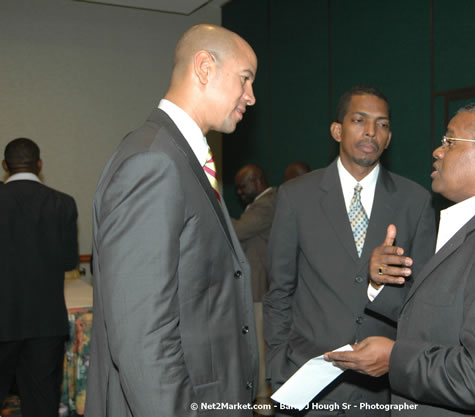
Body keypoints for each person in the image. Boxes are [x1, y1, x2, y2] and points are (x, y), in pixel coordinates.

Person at [326, 102, 475, 417]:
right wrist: (380, 284)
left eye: (449, 142)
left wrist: (395, 359)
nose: (437, 151)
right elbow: (444, 318)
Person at [86, 24, 259, 417]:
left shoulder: (177, 156)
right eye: (245, 79)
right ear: (203, 67)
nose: (251, 96)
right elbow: (143, 339)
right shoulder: (153, 162)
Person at [264, 85, 436, 416]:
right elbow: (279, 292)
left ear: (389, 138)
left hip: (381, 390)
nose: (371, 131)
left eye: (382, 124)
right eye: (359, 120)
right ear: (337, 130)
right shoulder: (296, 197)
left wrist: (378, 287)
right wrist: (277, 367)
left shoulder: (415, 202)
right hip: (306, 379)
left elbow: (423, 301)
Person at [0, 138, 78, 417]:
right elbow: (70, 262)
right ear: (40, 164)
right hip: (46, 322)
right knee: (42, 405)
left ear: (5, 166)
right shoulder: (63, 203)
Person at [231, 163, 277, 413]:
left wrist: (212, 208)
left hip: (261, 288)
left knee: (259, 346)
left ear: (257, 181)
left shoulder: (268, 203)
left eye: (242, 186)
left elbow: (237, 231)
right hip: (255, 287)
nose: (238, 192)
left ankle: (263, 400)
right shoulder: (260, 204)